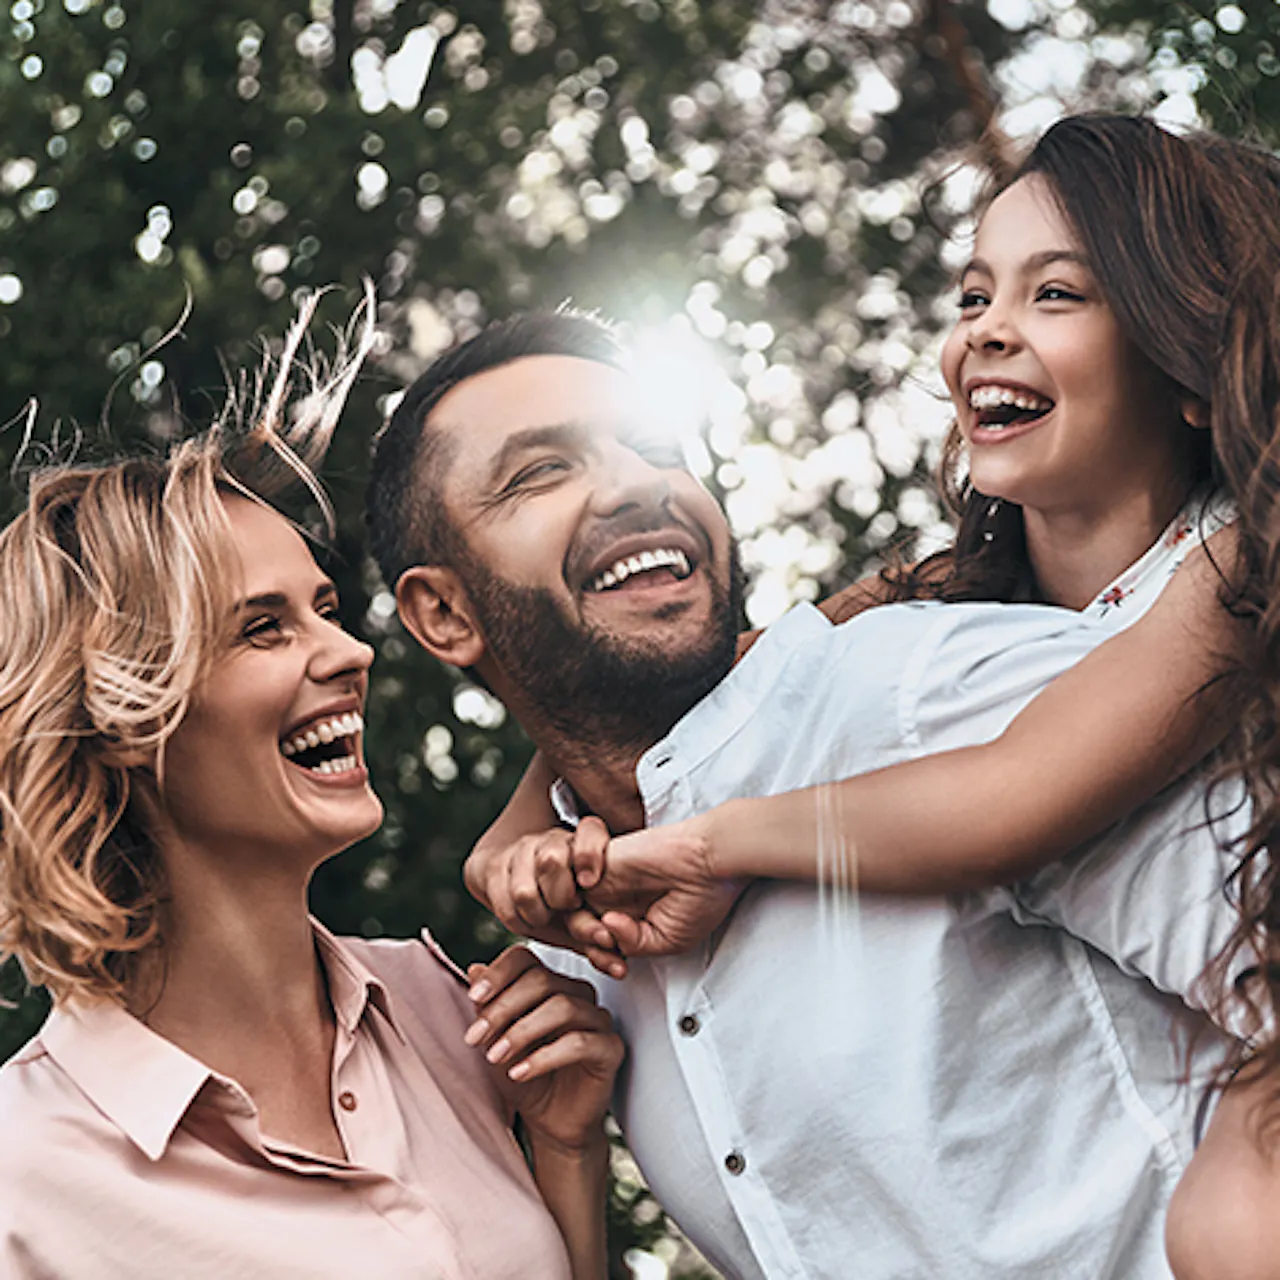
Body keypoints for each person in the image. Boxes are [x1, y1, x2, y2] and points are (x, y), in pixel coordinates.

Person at [366, 114, 1280, 1279]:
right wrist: (532, 815)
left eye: (654, 444)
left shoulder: (957, 678)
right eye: (546, 469)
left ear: (1184, 362)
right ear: (442, 615)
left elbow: (1025, 783)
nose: (637, 485)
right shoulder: (582, 945)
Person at [0, 295, 622, 1280]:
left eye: (325, 609)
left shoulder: (451, 1011)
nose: (347, 651)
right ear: (123, 711)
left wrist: (566, 1151)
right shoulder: (22, 1181)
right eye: (262, 627)